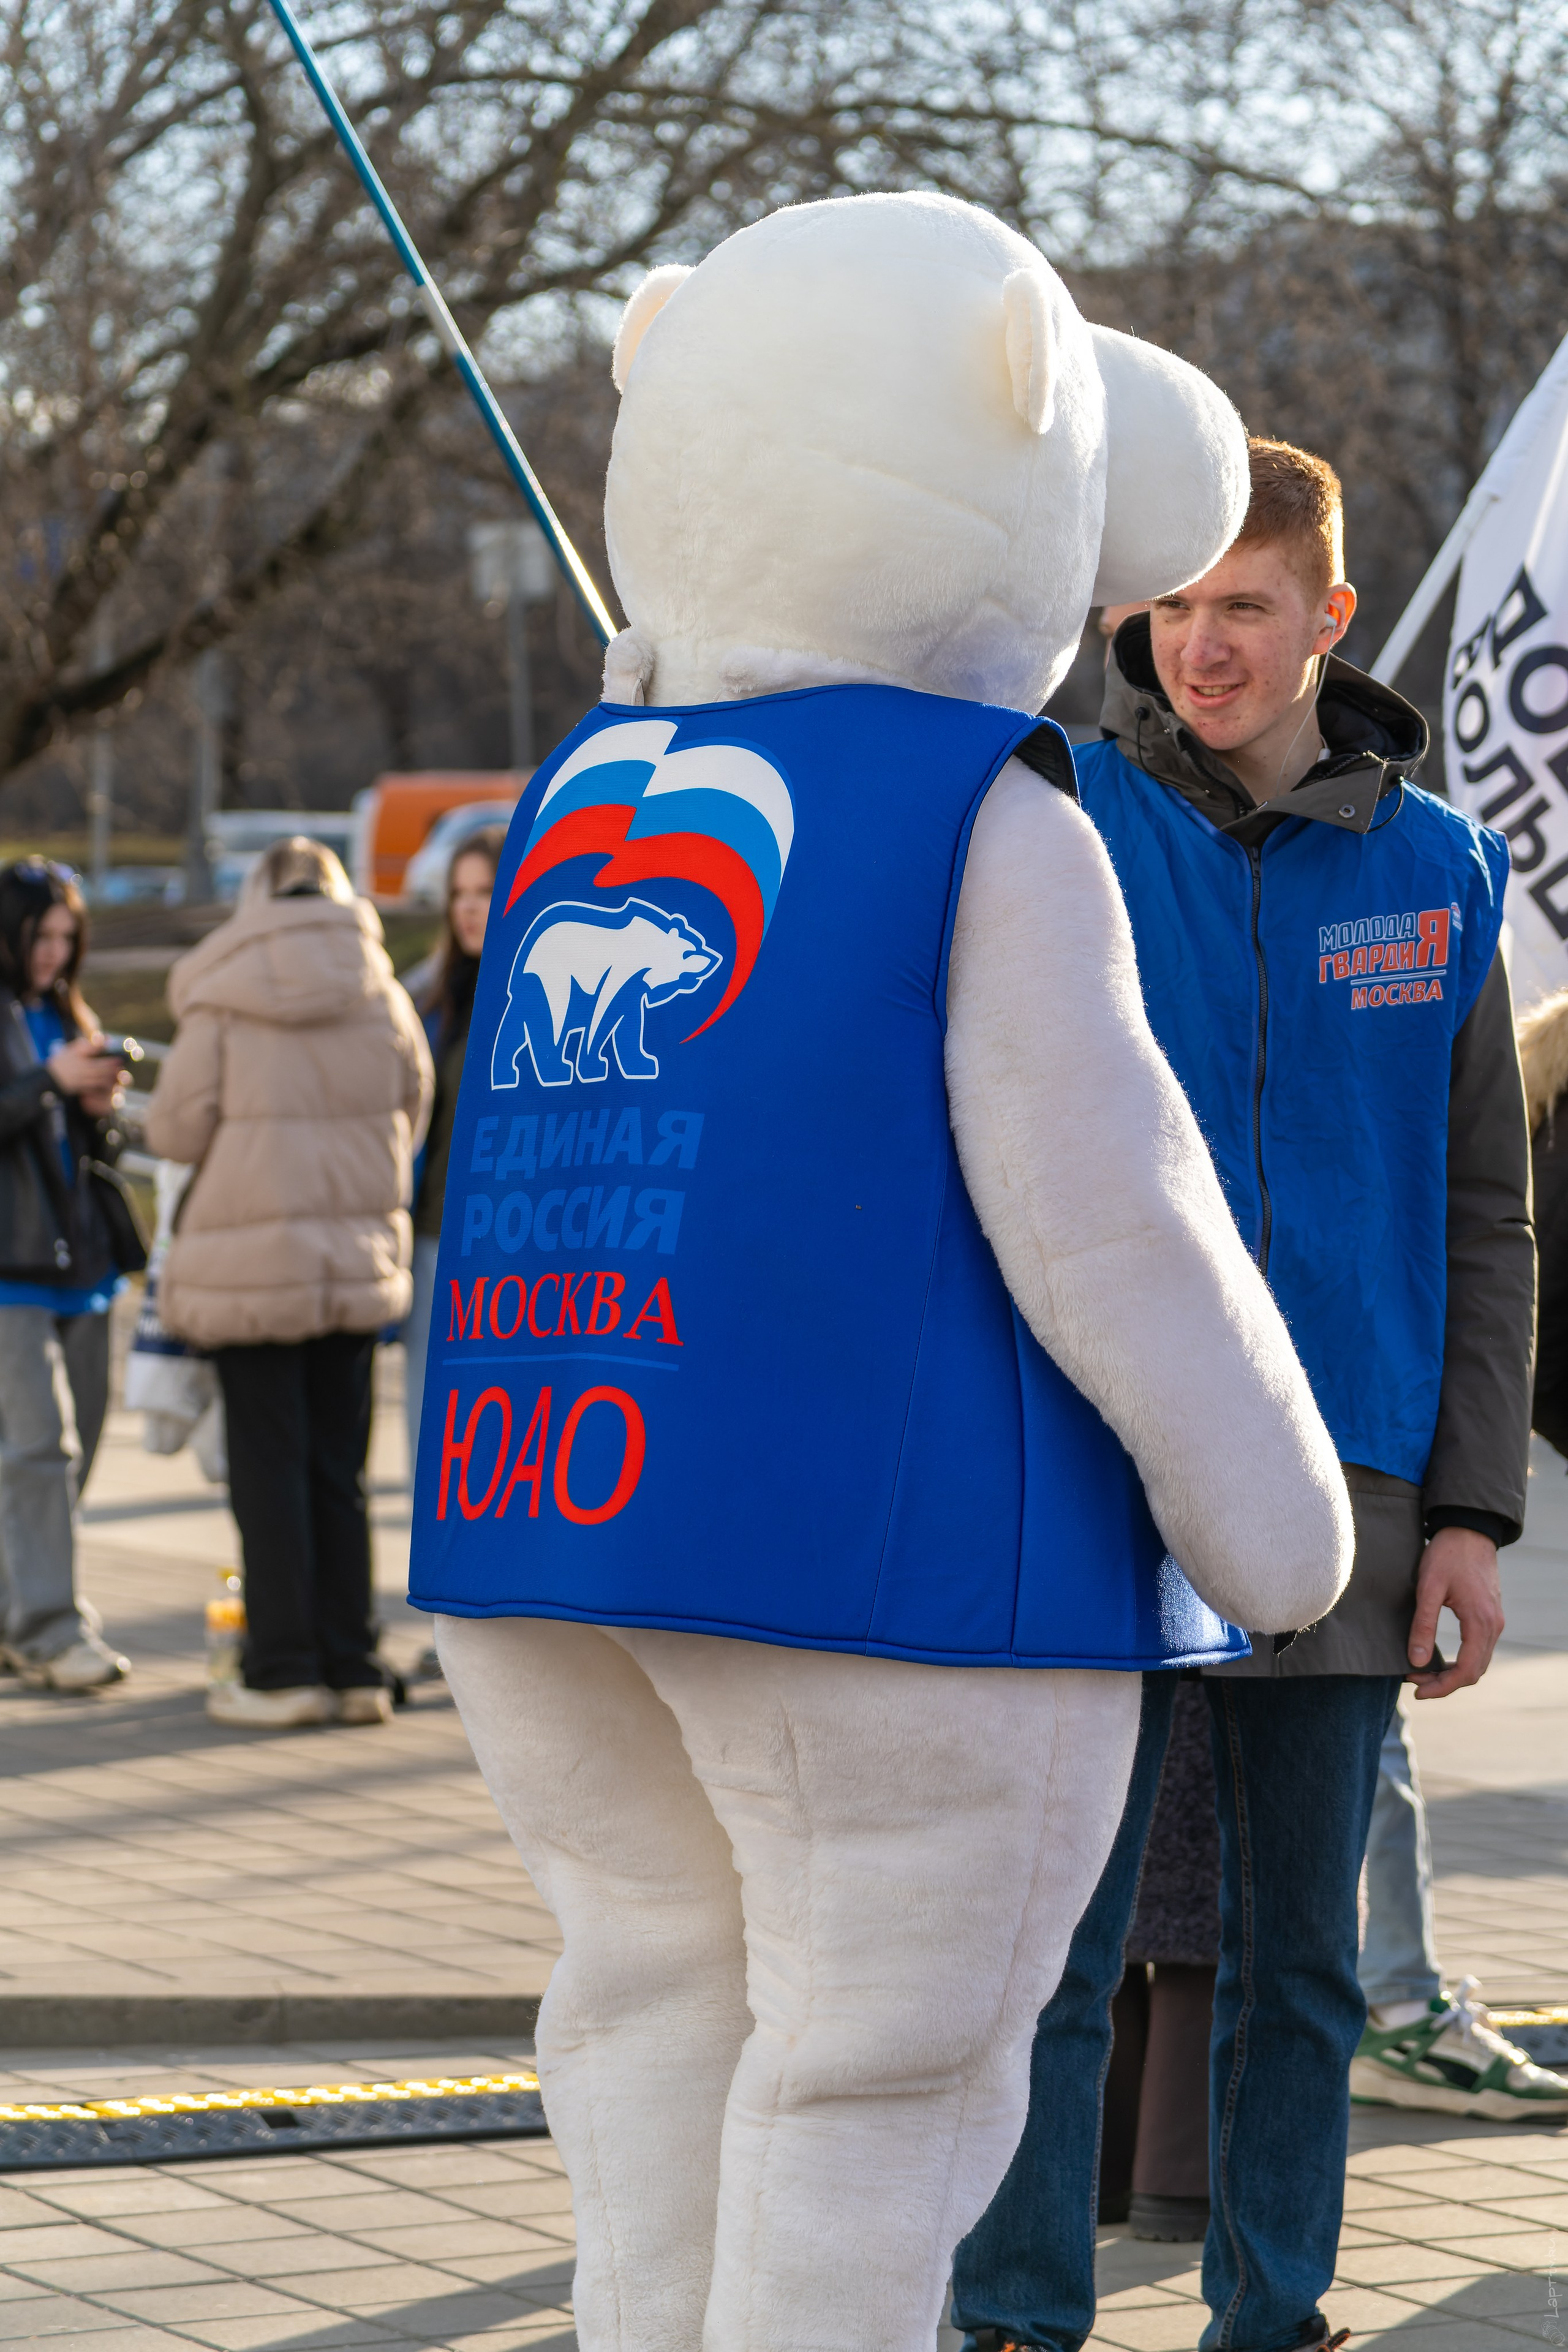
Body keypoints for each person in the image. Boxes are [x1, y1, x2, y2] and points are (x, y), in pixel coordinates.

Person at [954, 437, 1540, 2352]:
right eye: (1175, 605)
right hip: (1098, 1468)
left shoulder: (1438, 867)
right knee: (1051, 1946)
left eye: (1245, 608)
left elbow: (1482, 1221)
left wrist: (1467, 1512)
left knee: (1302, 1957)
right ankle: (1014, 2319)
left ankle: (1269, 2310)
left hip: (1350, 1491)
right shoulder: (1054, 820)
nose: (1200, 645)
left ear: (1327, 618)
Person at [146, 837, 432, 1730]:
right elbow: (412, 1110)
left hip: (249, 1272)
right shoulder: (383, 993)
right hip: (352, 1264)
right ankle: (352, 1661)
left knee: (266, 1473)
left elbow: (175, 1131)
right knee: (337, 1472)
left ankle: (282, 1668)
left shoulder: (223, 1000)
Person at [0, 859, 136, 1691]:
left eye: (65, 938)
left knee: (70, 1449)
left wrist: (96, 1113)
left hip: (81, 1264)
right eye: (39, 935)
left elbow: (90, 1155)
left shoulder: (64, 1014)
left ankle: (19, 1611)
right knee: (37, 1449)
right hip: (11, 1265)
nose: (53, 952)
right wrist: (45, 1083)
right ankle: (51, 1629)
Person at [404, 825, 504, 1472]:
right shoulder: (430, 998)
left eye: (486, 891)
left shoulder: (542, 995)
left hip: (510, 1250)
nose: (468, 907)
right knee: (428, 1436)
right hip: (433, 1243)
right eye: (459, 893)